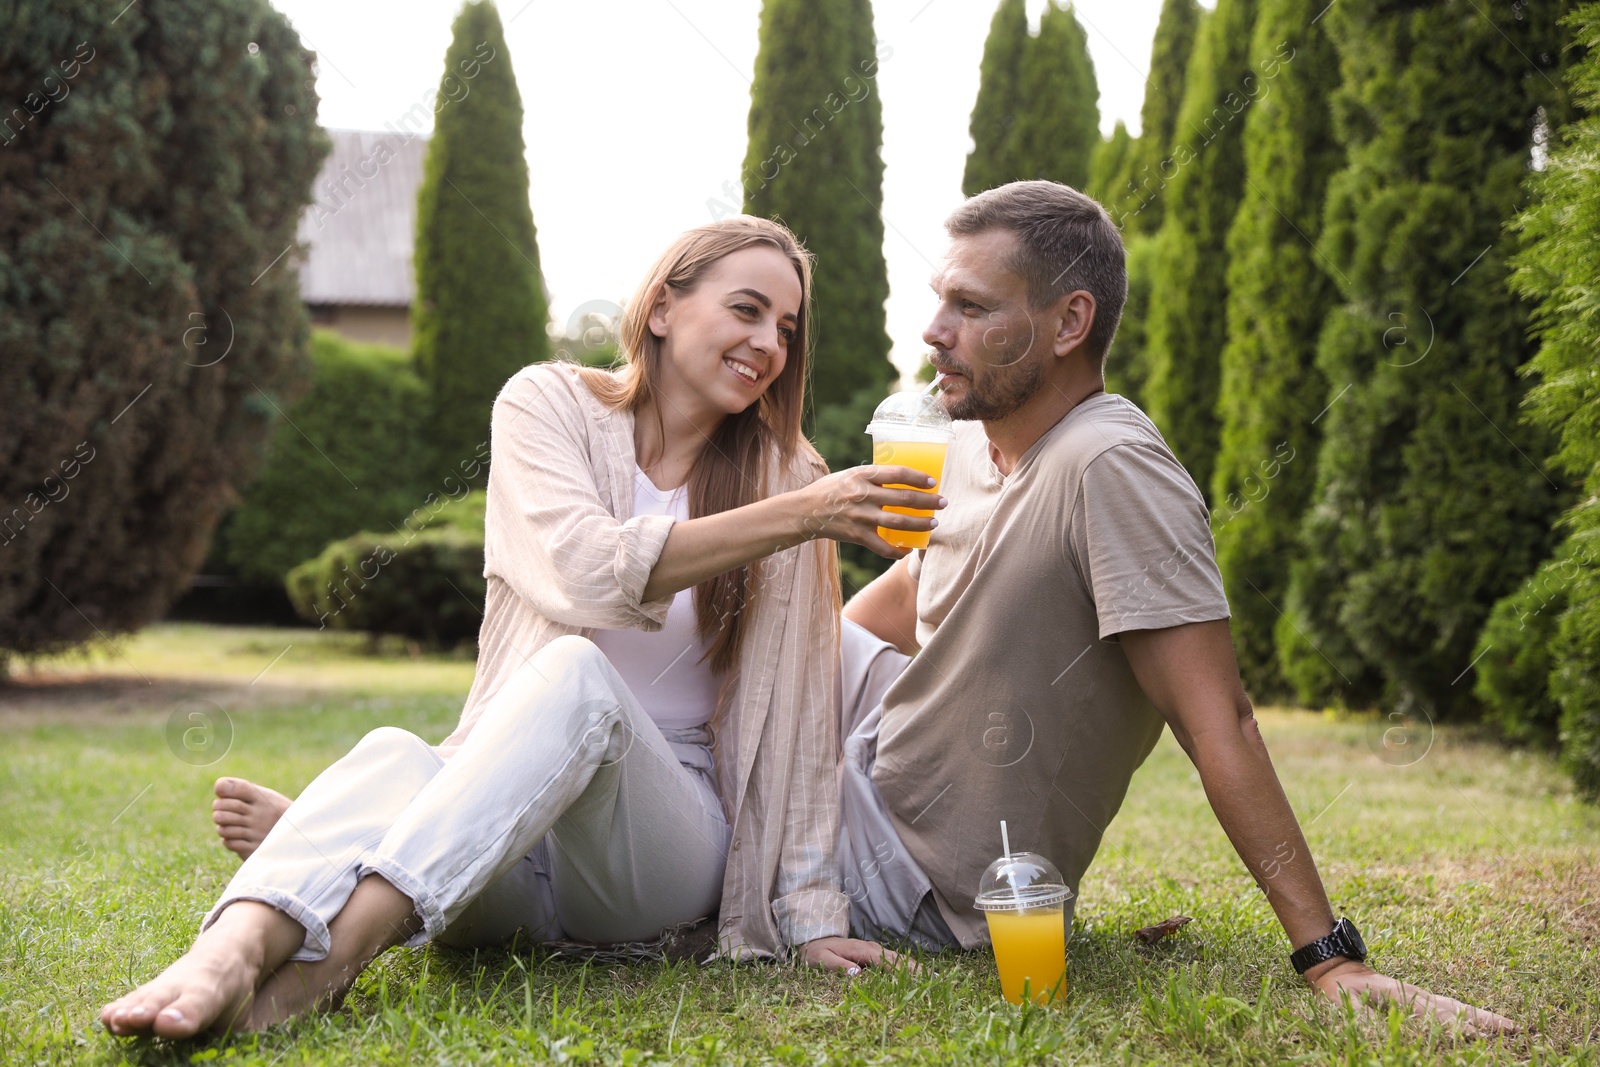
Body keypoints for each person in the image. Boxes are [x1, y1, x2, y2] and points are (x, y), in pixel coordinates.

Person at [99, 216, 934, 1039]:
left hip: (653, 845)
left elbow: (795, 720)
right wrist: (804, 515)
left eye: (786, 329)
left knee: (577, 678)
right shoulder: (549, 404)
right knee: (398, 750)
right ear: (663, 308)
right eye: (747, 309)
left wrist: (810, 911)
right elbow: (584, 571)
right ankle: (231, 950)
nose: (770, 345)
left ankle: (332, 951)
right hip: (503, 833)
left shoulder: (791, 477)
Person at [833, 180, 1517, 1034]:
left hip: (908, 877)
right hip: (848, 777)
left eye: (970, 306)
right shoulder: (969, 440)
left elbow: (1216, 720)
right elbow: (915, 583)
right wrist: (802, 677)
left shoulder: (1111, 467)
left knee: (617, 730)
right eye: (941, 301)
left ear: (1069, 322)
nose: (935, 331)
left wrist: (1329, 954)